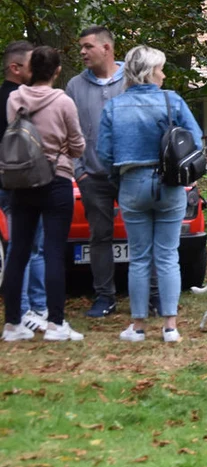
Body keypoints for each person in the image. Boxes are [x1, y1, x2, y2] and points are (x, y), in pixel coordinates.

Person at [97, 46, 202, 343]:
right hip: (169, 185)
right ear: (150, 72)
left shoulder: (114, 107)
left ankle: (139, 327)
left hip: (131, 183)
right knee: (168, 256)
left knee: (140, 258)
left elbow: (103, 153)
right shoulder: (173, 101)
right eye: (161, 69)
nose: (164, 74)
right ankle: (170, 326)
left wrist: (118, 179)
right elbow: (196, 141)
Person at [2, 46, 86, 342]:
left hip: (22, 182)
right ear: (57, 71)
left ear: (30, 68)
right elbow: (77, 145)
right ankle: (56, 324)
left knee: (18, 252)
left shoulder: (14, 99)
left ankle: (12, 324)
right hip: (56, 180)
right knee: (52, 252)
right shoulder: (63, 101)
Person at [66, 26, 127, 317]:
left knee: (141, 236)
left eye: (88, 46)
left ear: (107, 48)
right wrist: (80, 171)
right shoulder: (75, 86)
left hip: (130, 175)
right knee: (99, 238)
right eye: (81, 47)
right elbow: (69, 131)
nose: (82, 52)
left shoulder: (133, 78)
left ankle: (151, 297)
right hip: (93, 177)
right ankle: (105, 297)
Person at [0, 40, 48, 333]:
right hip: (15, 185)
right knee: (25, 248)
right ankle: (25, 309)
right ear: (15, 68)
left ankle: (37, 306)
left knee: (32, 247)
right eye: (33, 64)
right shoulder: (19, 100)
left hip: (26, 183)